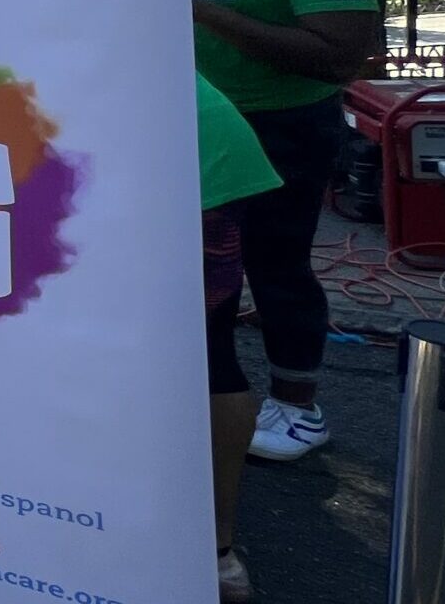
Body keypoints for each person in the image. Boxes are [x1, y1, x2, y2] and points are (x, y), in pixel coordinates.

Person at [187, 0, 380, 464]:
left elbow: (339, 58)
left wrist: (203, 11)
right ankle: (207, 395)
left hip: (279, 129)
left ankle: (298, 406)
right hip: (199, 124)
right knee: (201, 272)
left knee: (276, 266)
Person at [196, 75, 284, 602]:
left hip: (186, 151)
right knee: (207, 354)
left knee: (205, 356)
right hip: (199, 141)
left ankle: (214, 550)